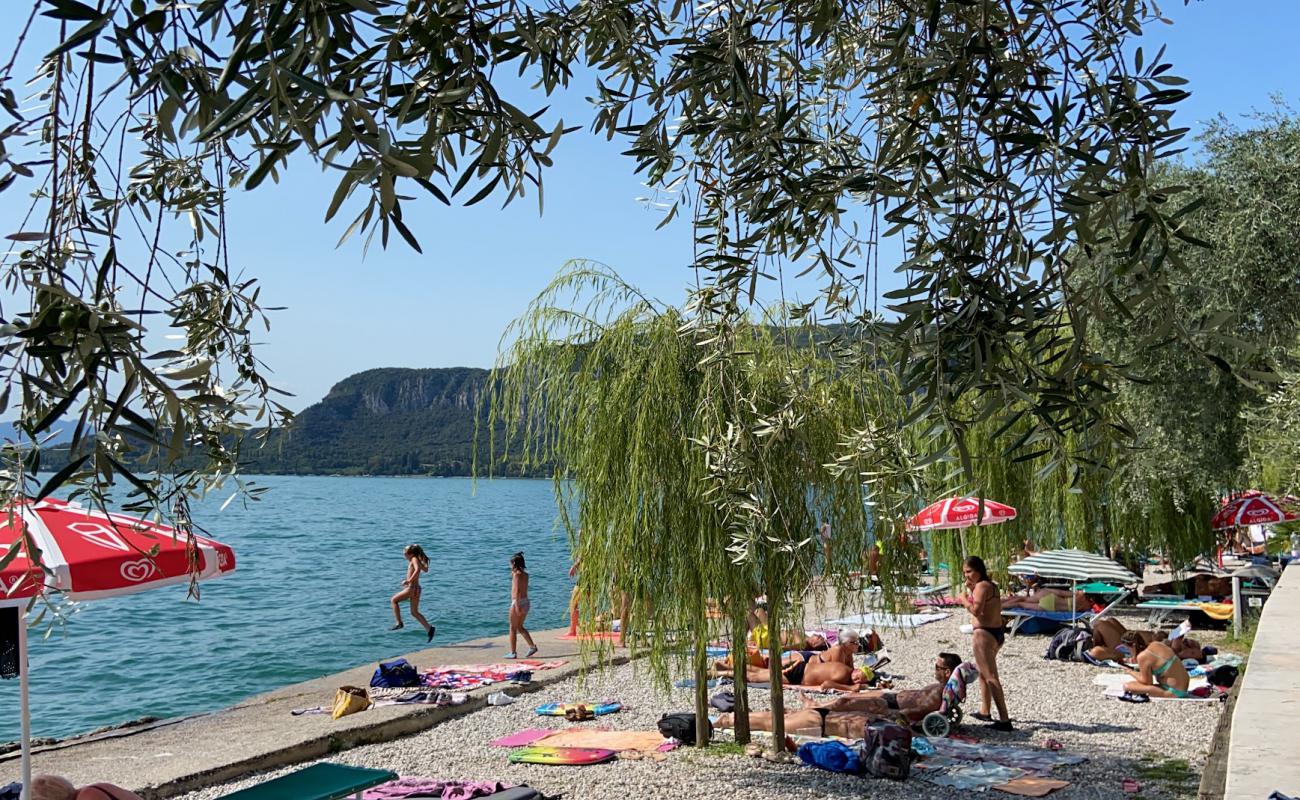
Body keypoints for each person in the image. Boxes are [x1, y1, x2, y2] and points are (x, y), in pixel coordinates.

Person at [716, 653, 967, 735]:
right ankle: (730, 716)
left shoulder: (937, 694)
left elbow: (914, 713)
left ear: (948, 671)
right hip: (828, 714)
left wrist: (898, 717)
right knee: (780, 714)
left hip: (827, 717)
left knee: (780, 717)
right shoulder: (940, 691)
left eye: (938, 667)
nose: (935, 670)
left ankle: (729, 718)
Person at [963, 555, 1011, 730]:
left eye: (969, 572)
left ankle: (1004, 720)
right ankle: (985, 710)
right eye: (964, 573)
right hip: (996, 633)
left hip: (984, 634)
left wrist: (962, 599)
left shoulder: (981, 586)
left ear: (979, 571)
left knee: (991, 676)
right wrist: (970, 591)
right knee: (983, 673)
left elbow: (976, 610)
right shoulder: (990, 586)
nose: (966, 576)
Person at [1121, 632, 1192, 698]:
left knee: (1127, 686)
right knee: (1134, 684)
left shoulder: (1142, 657)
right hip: (1183, 687)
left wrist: (1130, 671)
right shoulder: (1156, 644)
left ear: (1133, 646)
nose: (1128, 652)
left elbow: (1147, 682)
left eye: (1127, 649)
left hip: (1173, 692)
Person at [390, 544, 435, 642]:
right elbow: (426, 570)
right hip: (417, 589)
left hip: (411, 588)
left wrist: (409, 580)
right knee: (414, 612)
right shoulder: (417, 560)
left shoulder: (414, 559)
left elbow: (418, 570)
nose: (404, 555)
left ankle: (399, 623)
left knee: (393, 600)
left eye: (405, 554)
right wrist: (425, 561)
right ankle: (429, 629)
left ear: (410, 554)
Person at [507, 551, 538, 659]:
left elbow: (516, 591)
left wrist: (516, 606)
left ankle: (513, 652)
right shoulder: (526, 575)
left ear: (514, 564)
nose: (509, 566)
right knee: (520, 627)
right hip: (526, 602)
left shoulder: (516, 575)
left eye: (510, 564)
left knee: (512, 628)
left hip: (518, 602)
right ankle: (532, 646)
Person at [1001, 575, 1086, 612]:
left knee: (1022, 598)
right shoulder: (1084, 605)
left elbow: (1060, 592)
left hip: (1050, 596)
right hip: (1050, 607)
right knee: (1020, 604)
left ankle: (1000, 603)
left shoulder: (1077, 594)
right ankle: (1000, 606)